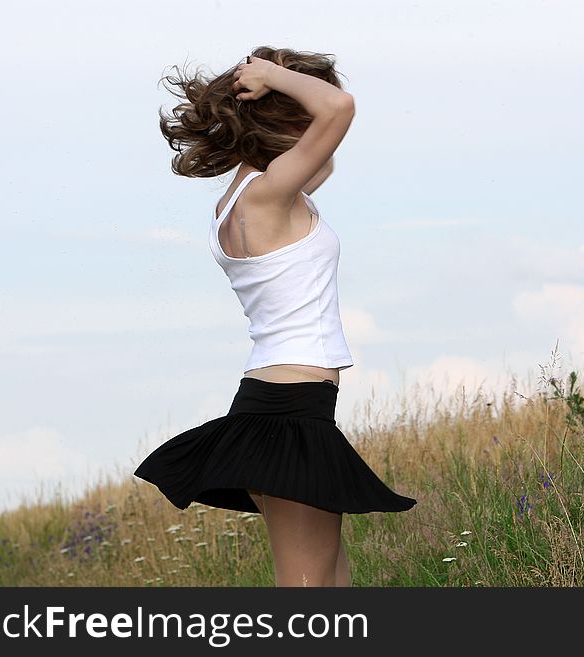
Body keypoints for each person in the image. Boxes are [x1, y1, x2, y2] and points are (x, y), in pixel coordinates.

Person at [134, 46, 417, 587]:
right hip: (289, 411)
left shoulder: (248, 196)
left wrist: (281, 86)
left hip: (282, 404)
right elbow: (339, 109)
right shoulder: (268, 196)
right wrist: (272, 76)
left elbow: (328, 138)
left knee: (333, 583)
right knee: (308, 591)